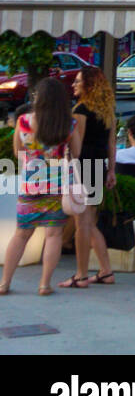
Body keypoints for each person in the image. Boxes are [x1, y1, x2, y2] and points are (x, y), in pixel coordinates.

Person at [1, 79, 81, 296]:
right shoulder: (69, 124)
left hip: (31, 184)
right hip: (58, 185)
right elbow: (76, 154)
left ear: (39, 98)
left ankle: (4, 282)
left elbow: (17, 152)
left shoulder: (24, 121)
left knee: (21, 235)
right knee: (53, 235)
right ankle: (44, 284)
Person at [67, 66, 119, 287]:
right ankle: (106, 271)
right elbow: (112, 144)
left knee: (82, 224)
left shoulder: (80, 109)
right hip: (98, 166)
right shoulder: (107, 111)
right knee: (89, 222)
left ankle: (80, 275)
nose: (74, 85)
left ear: (88, 85)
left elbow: (76, 146)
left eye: (78, 82)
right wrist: (111, 171)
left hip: (81, 166)